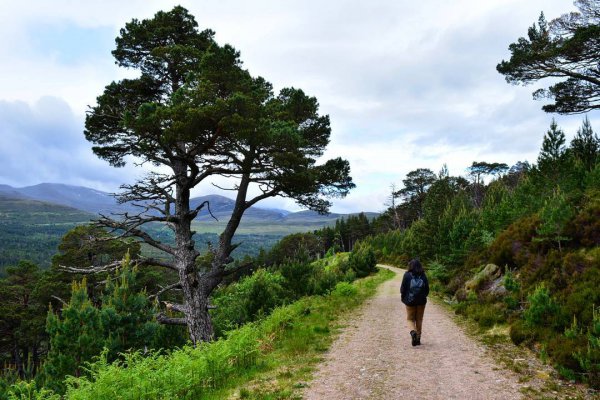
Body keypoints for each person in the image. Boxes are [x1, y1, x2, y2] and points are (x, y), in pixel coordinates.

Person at [400, 258, 429, 346]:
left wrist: (404, 298)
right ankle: (418, 339)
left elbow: (402, 289)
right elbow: (427, 289)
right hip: (421, 301)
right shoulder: (423, 275)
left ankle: (413, 332)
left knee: (410, 319)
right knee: (419, 319)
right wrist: (423, 296)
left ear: (410, 266)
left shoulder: (407, 275)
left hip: (410, 301)